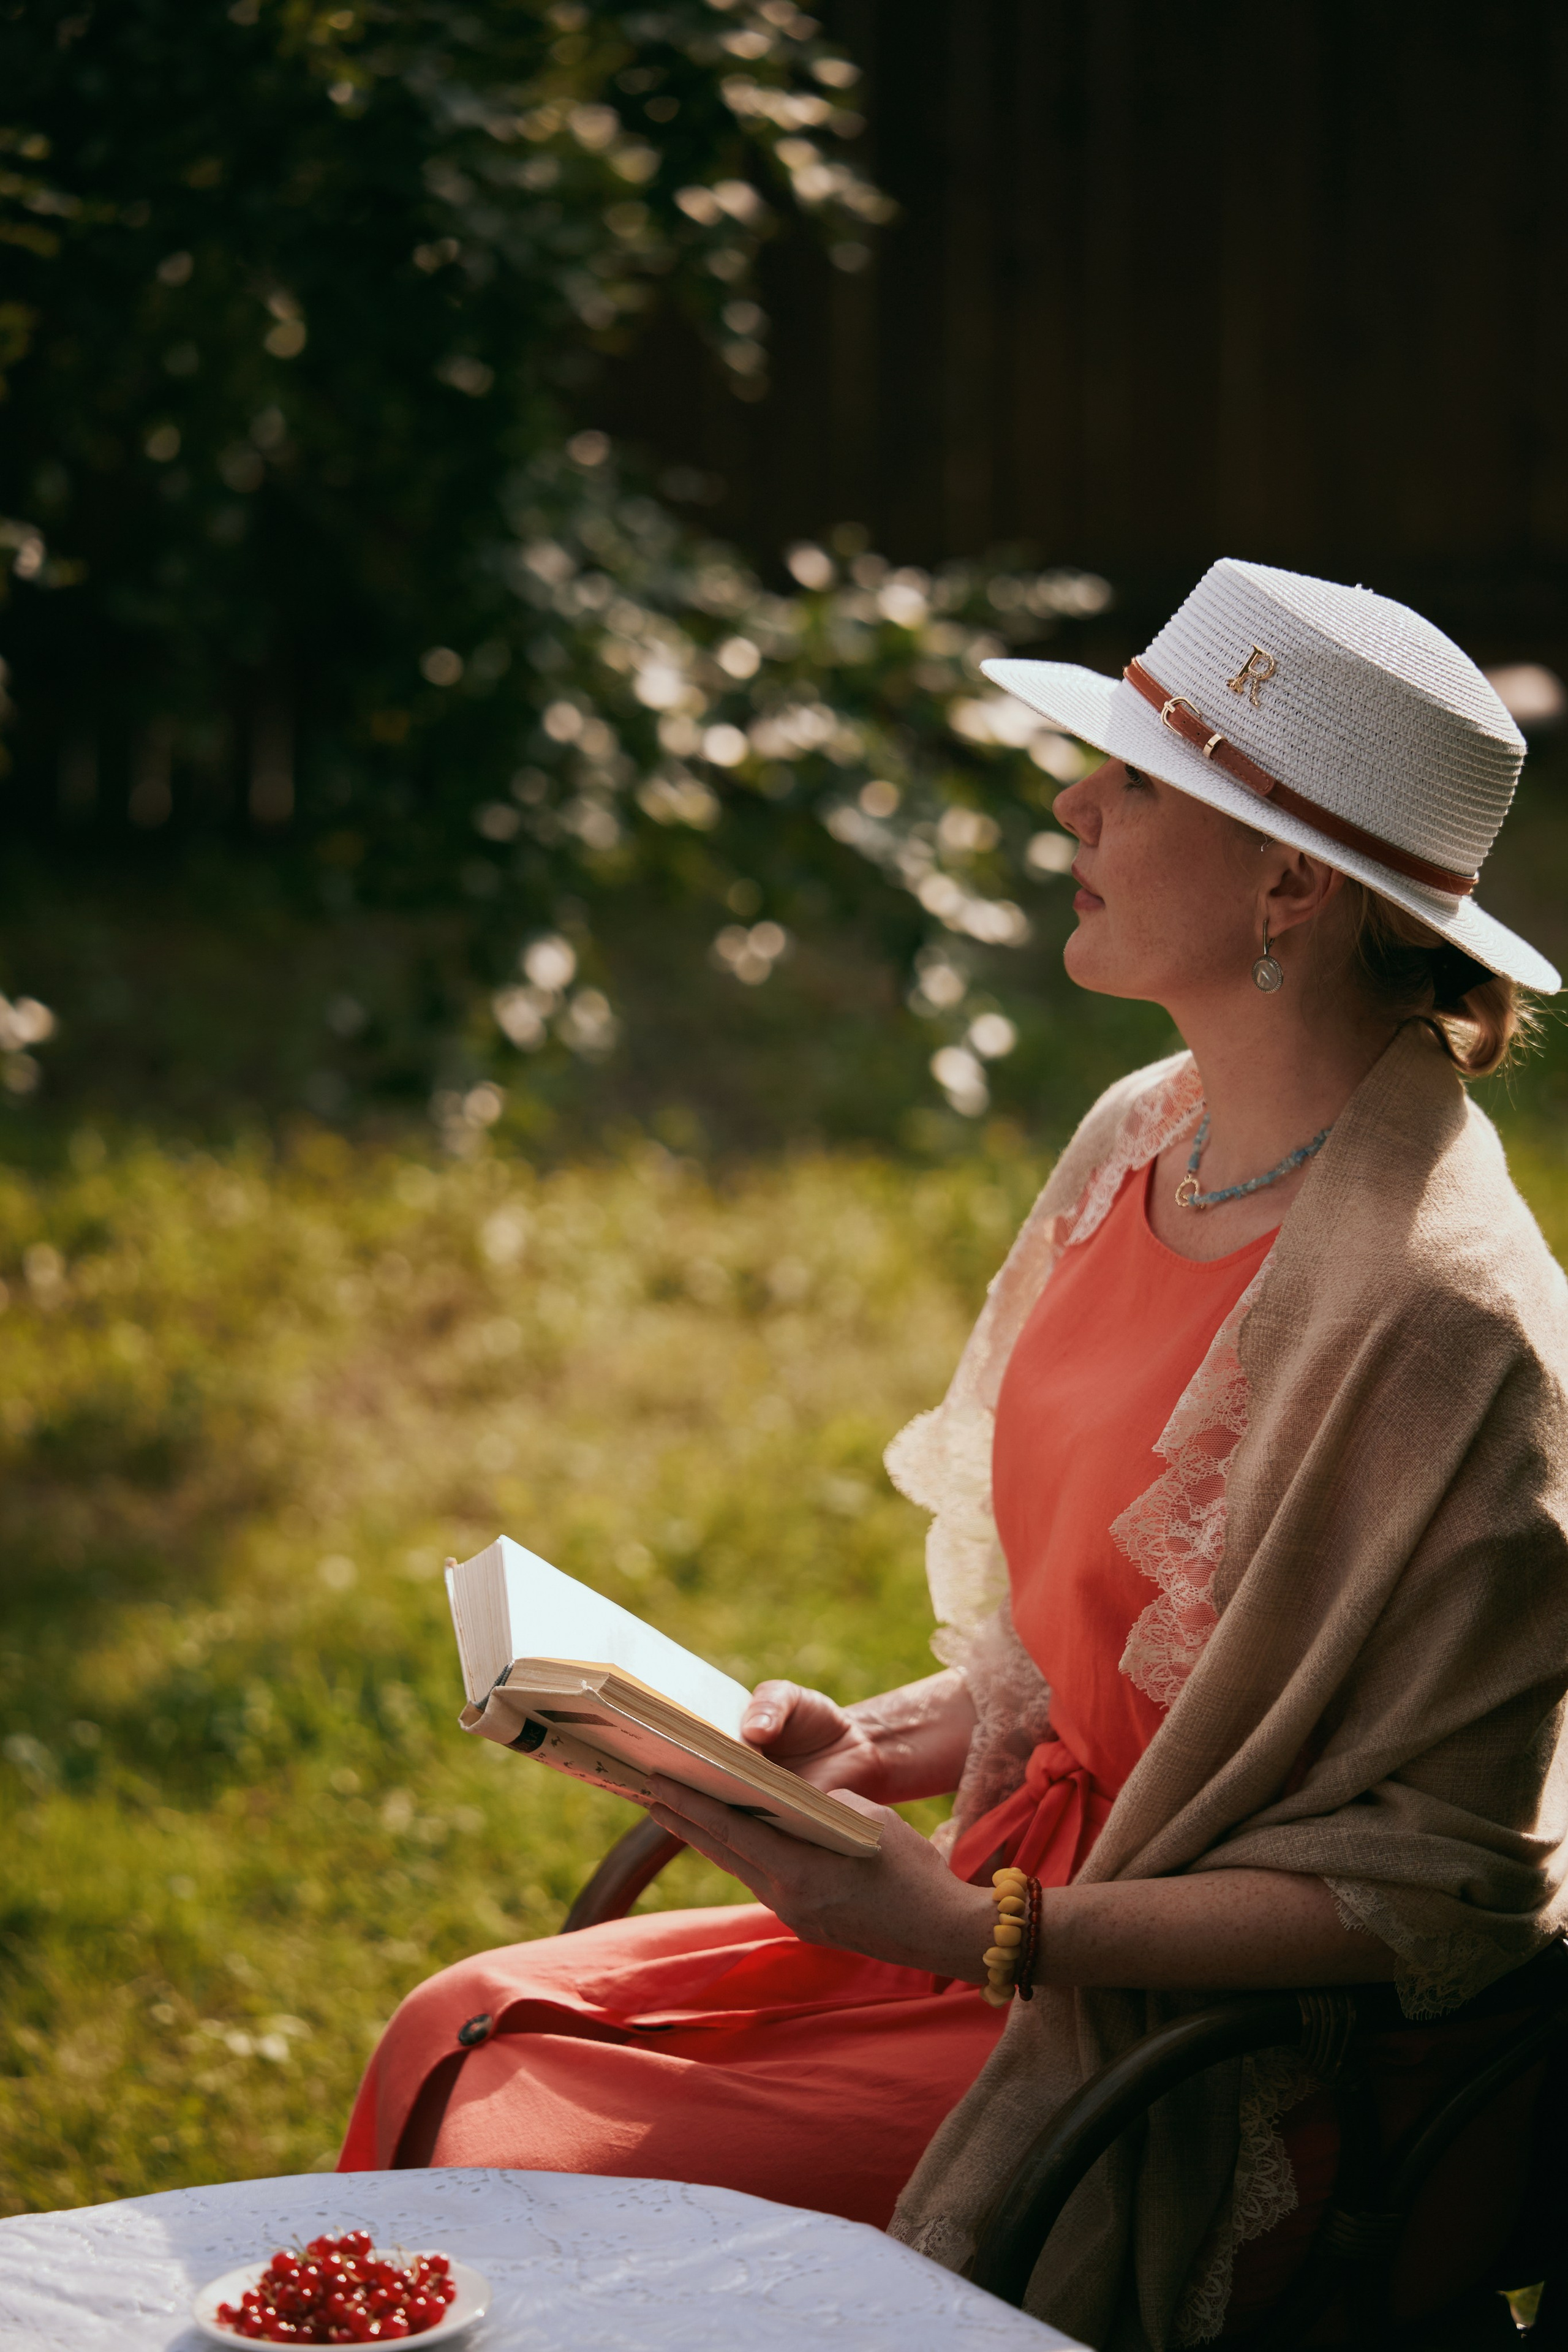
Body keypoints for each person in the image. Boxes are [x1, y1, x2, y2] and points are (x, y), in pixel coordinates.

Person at [341, 561, 1568, 2348]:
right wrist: (887, 1745)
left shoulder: (1443, 1323)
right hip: (999, 1906)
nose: (1072, 798)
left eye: (1141, 781)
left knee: (531, 2139)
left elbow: (1448, 1893)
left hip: (1197, 2065)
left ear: (1290, 880)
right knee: (456, 2023)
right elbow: (1105, 1651)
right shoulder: (1145, 1136)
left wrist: (987, 1935)